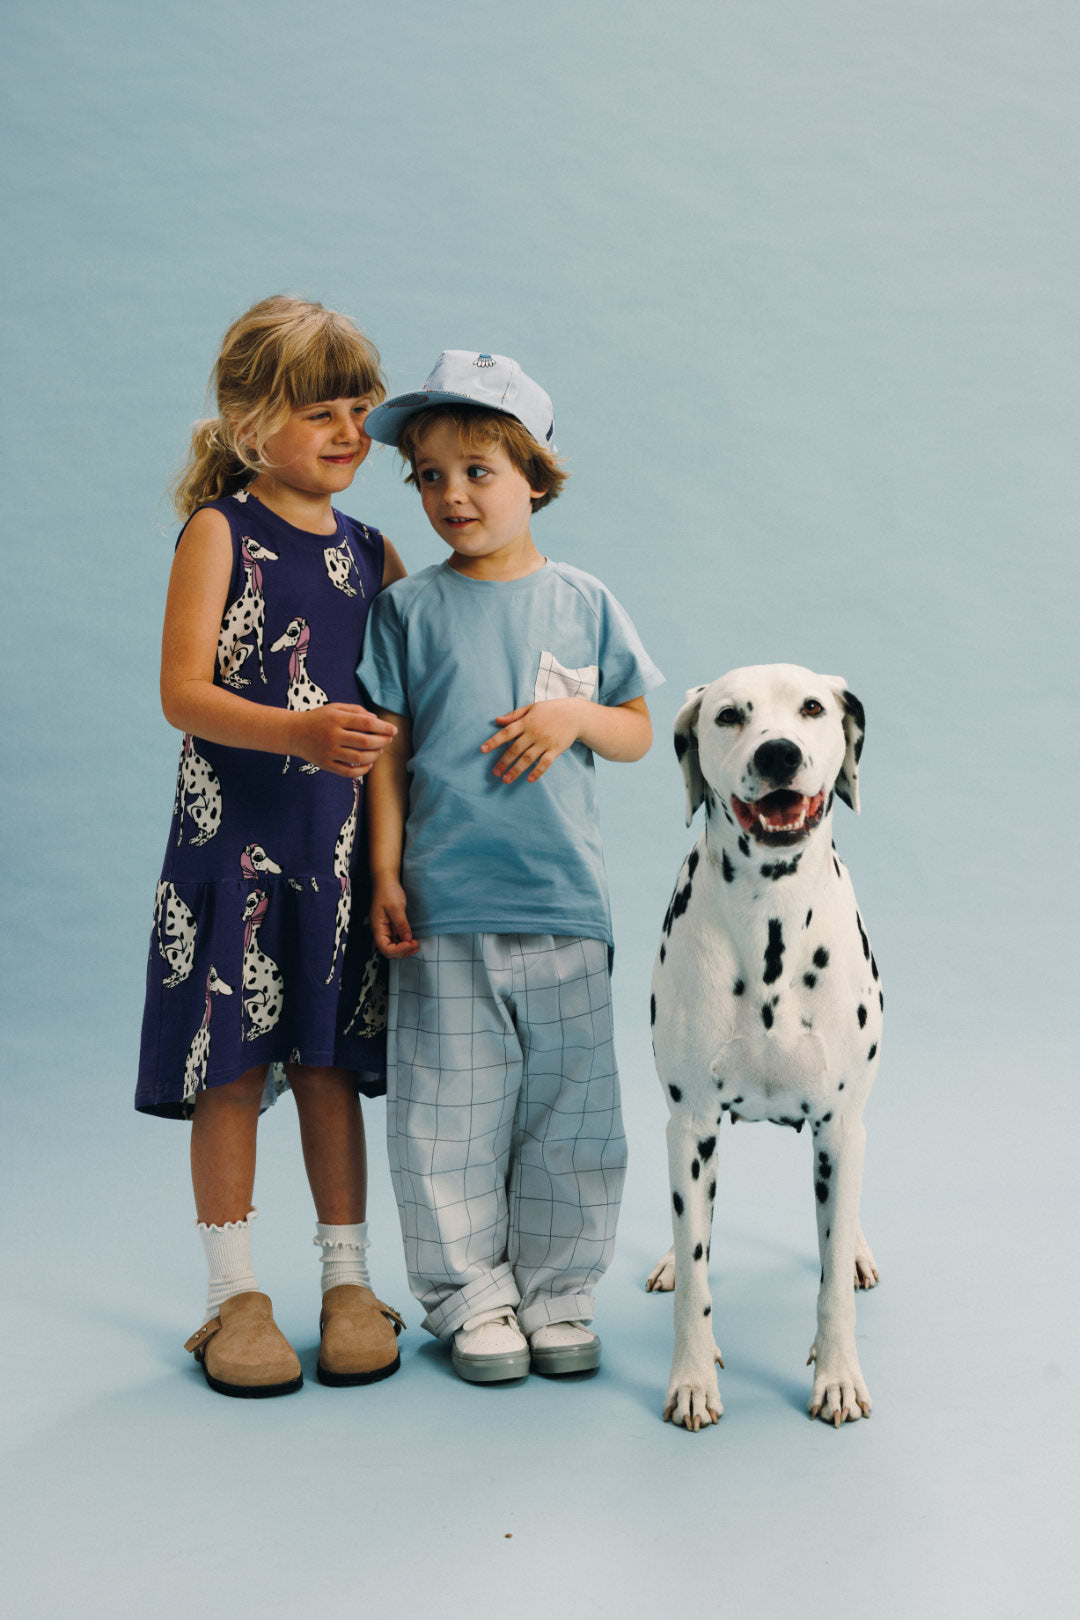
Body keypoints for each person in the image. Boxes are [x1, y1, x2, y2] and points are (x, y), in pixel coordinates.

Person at [357, 350, 662, 1383]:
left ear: (534, 475)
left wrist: (577, 714)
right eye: (431, 477)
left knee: (572, 1116)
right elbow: (388, 758)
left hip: (567, 906)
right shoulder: (408, 613)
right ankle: (472, 1300)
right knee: (449, 1116)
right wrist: (388, 876)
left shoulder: (584, 602)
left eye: (478, 471)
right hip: (446, 909)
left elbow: (634, 731)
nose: (452, 495)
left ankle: (559, 1293)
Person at [136, 296, 407, 1398]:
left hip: (336, 861)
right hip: (234, 852)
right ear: (253, 423)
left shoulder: (373, 552)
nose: (348, 432)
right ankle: (233, 1294)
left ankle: (349, 1281)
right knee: (234, 1070)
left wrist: (388, 865)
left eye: (359, 410)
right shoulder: (220, 533)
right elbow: (182, 693)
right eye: (319, 411)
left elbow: (387, 728)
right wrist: (299, 729)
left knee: (329, 1063)